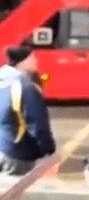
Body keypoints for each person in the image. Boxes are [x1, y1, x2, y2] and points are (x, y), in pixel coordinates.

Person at [0, 46, 56, 175]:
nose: (36, 61)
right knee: (18, 191)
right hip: (18, 153)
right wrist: (47, 148)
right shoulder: (24, 86)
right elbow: (36, 123)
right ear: (22, 61)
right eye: (32, 58)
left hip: (2, 147)